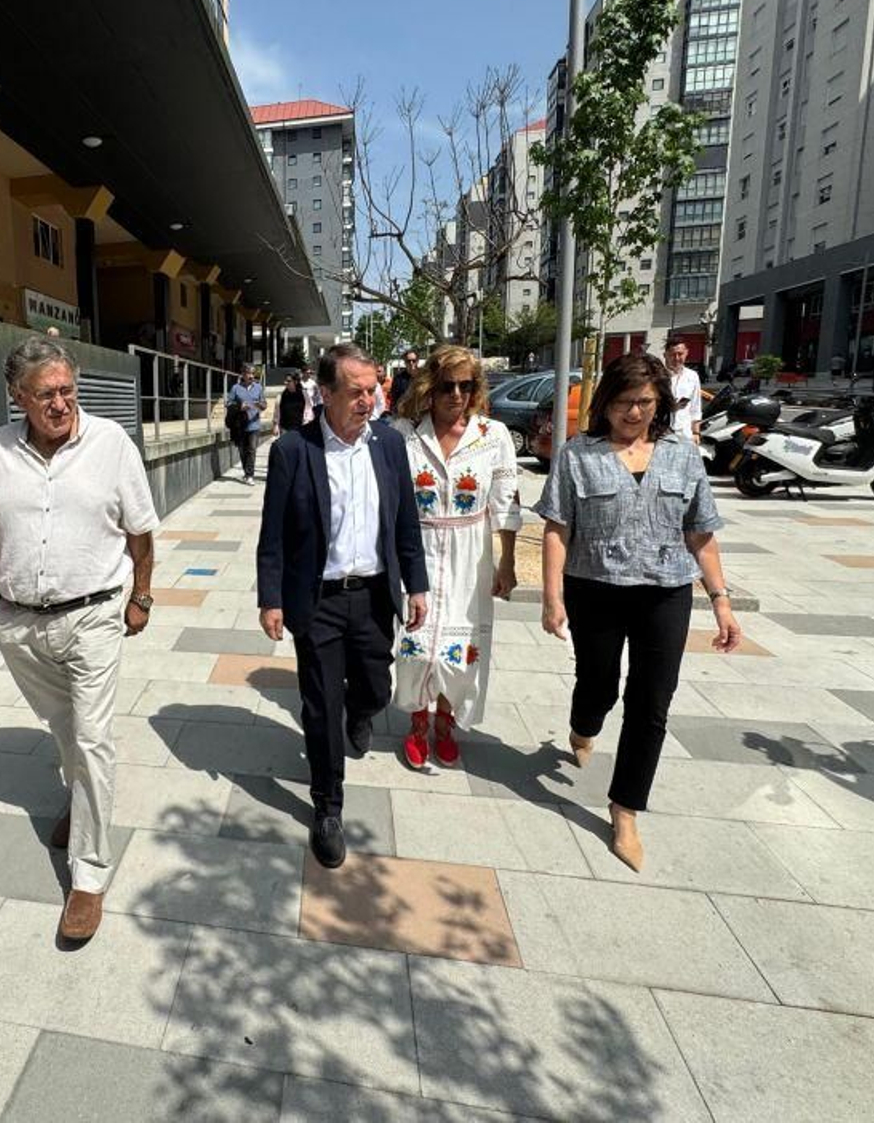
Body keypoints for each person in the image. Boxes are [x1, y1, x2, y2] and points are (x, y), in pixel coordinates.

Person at [0, 337, 158, 943]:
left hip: (93, 614)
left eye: (68, 391)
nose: (61, 403)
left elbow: (141, 532)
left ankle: (89, 879)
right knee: (64, 727)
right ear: (19, 396)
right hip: (18, 621)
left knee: (93, 737)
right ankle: (81, 801)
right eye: (47, 394)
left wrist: (140, 596)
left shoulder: (111, 445)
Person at [535, 353, 741, 873]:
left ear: (661, 404)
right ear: (606, 402)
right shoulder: (578, 454)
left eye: (645, 403)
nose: (634, 413)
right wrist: (552, 596)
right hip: (595, 589)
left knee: (651, 703)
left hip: (665, 592)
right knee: (598, 686)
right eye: (625, 402)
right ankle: (583, 727)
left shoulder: (682, 455)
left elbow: (701, 533)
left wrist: (721, 600)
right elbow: (557, 529)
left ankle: (625, 806)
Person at [257, 343, 429, 869]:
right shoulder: (293, 451)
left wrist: (416, 585)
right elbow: (274, 536)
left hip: (376, 595)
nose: (368, 399)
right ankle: (327, 808)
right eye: (355, 391)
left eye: (372, 388)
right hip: (320, 601)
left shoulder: (389, 446)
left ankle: (362, 710)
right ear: (325, 393)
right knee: (320, 708)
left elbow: (405, 523)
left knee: (376, 686)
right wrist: (271, 600)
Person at [390, 347, 521, 770]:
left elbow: (505, 503)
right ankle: (416, 721)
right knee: (417, 646)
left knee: (461, 648)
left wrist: (508, 562)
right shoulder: (404, 434)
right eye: (448, 385)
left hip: (472, 554)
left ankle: (444, 722)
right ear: (430, 386)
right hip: (419, 549)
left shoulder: (493, 436)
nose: (457, 395)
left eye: (466, 386)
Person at [227, 366, 266, 484]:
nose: (251, 376)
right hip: (240, 425)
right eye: (249, 373)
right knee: (242, 450)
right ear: (243, 374)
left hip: (254, 424)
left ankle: (250, 475)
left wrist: (261, 405)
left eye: (253, 373)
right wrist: (240, 407)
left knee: (252, 449)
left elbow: (264, 403)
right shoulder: (235, 388)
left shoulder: (259, 387)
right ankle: (246, 471)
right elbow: (228, 403)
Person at [664, 336, 702, 445]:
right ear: (665, 355)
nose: (676, 358)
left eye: (680, 354)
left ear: (686, 353)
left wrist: (696, 432)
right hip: (662, 433)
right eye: (672, 354)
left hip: (685, 433)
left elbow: (696, 407)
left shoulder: (692, 376)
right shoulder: (659, 376)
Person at [277, 371, 307, 436]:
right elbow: (278, 411)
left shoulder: (303, 394)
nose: (285, 383)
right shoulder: (283, 394)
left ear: (295, 382)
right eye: (285, 381)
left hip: (299, 429)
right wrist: (276, 425)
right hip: (285, 429)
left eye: (288, 381)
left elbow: (308, 411)